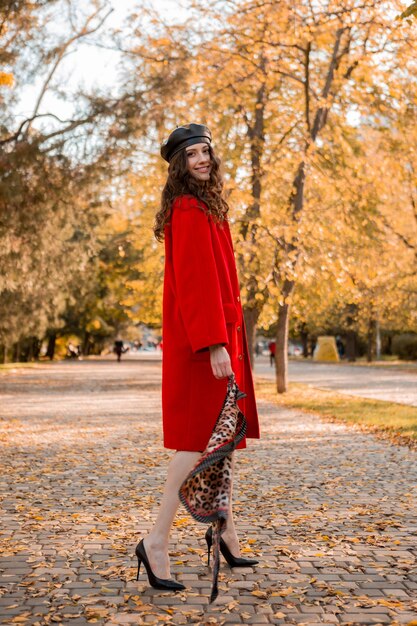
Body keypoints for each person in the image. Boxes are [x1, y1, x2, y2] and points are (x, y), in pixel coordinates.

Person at [135, 123, 261, 591]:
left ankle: (226, 533)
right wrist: (214, 344)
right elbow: (196, 284)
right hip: (203, 349)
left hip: (218, 342)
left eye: (206, 151)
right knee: (195, 446)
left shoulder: (208, 206)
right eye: (192, 155)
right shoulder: (188, 209)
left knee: (222, 440)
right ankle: (156, 542)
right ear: (179, 165)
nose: (203, 159)